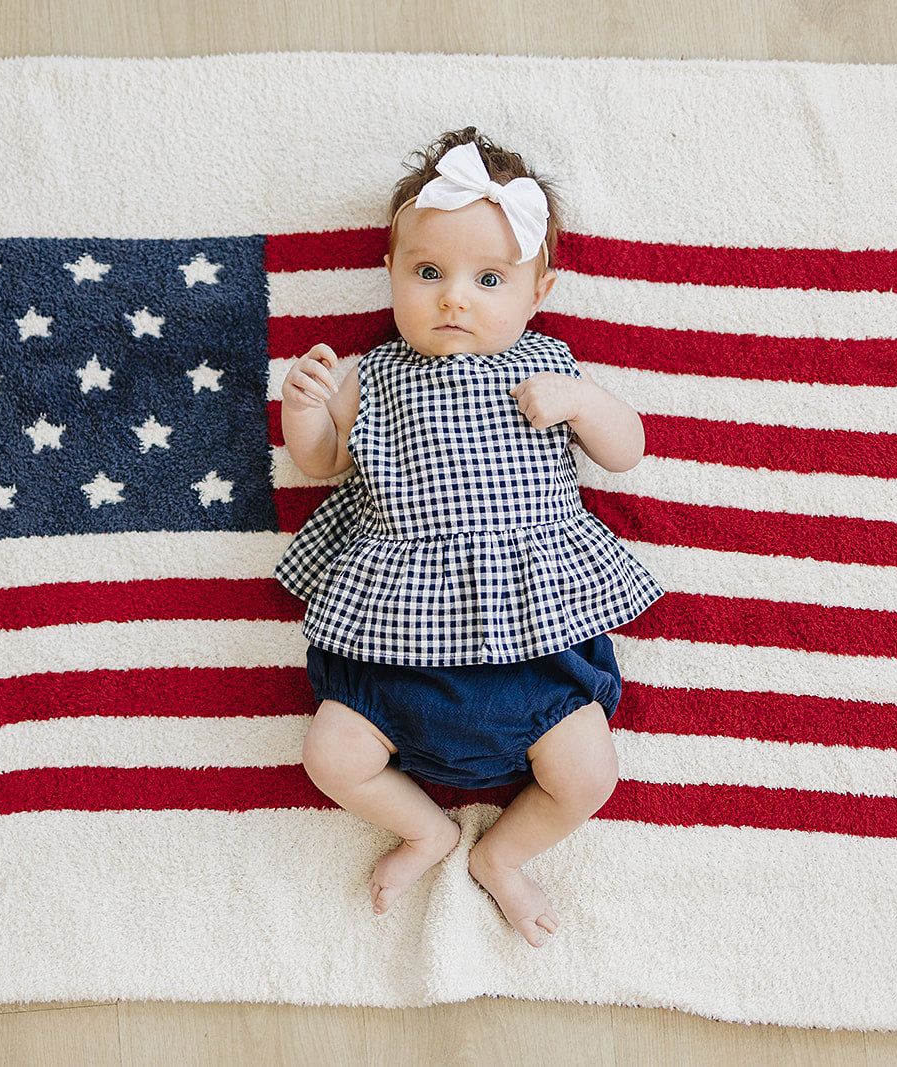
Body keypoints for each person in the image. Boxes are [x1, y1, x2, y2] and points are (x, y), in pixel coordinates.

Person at [275, 128, 662, 947]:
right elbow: (322, 463)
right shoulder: (372, 375)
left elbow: (627, 448)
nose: (455, 298)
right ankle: (426, 829)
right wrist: (305, 409)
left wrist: (584, 403)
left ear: (538, 290)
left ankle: (503, 855)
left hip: (535, 652)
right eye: (428, 273)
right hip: (396, 654)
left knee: (590, 773)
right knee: (329, 754)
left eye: (489, 279)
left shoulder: (550, 365)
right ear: (390, 272)